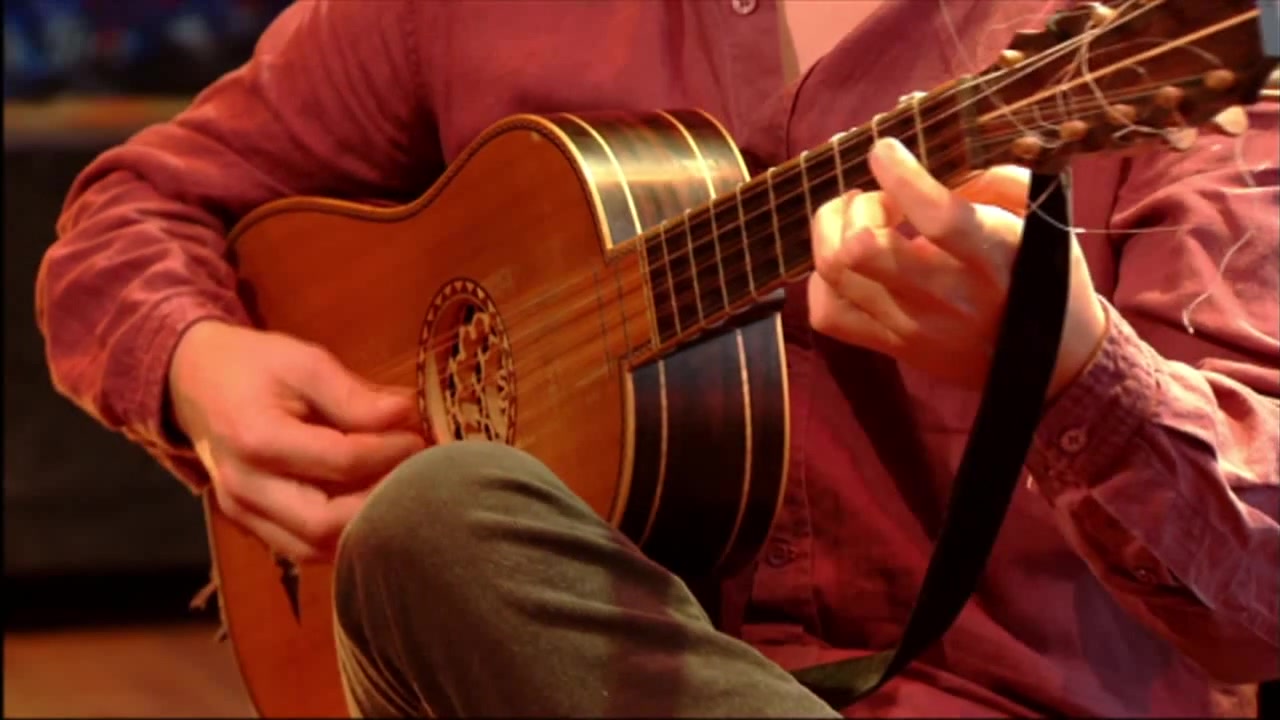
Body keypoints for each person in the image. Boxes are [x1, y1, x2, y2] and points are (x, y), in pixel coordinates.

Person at [35, 0, 1278, 717]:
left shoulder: (1155, 42)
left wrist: (1066, 366)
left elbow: (1260, 598)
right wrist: (194, 365)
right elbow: (138, 208)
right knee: (438, 524)